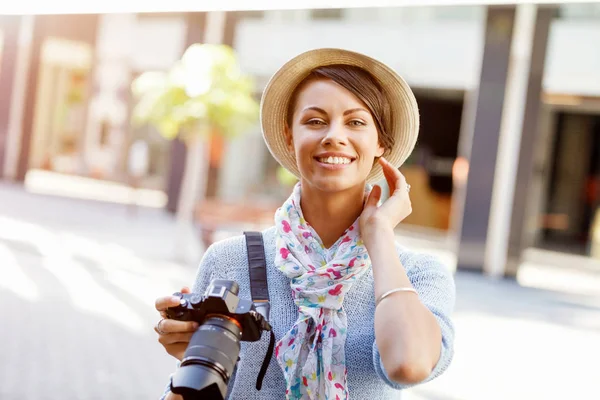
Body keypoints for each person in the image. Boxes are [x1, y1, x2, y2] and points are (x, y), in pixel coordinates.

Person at [154, 48, 456, 400]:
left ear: (381, 144)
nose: (333, 135)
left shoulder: (418, 274)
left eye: (356, 122)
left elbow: (408, 365)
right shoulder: (229, 261)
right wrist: (190, 363)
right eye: (315, 121)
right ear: (288, 136)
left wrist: (379, 237)